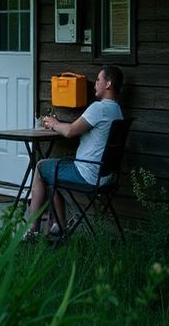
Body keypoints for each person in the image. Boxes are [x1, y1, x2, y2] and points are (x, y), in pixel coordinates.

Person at [25, 66, 124, 241]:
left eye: (99, 80)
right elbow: (79, 127)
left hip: (88, 175)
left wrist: (54, 123)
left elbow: (70, 131)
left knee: (41, 167)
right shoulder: (116, 111)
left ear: (108, 84)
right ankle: (58, 227)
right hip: (106, 175)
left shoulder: (98, 108)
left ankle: (32, 231)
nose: (95, 84)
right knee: (53, 171)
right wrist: (61, 124)